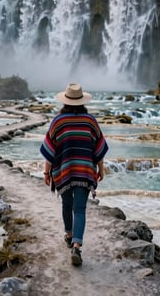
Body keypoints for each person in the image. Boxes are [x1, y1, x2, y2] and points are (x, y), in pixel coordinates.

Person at [40, 83, 109, 266]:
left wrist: (47, 172)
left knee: (66, 203)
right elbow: (98, 148)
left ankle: (69, 234)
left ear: (65, 101)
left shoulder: (58, 121)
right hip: (85, 170)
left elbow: (50, 150)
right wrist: (100, 169)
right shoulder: (90, 121)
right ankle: (76, 246)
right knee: (79, 209)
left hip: (63, 170)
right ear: (82, 102)